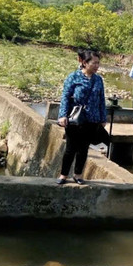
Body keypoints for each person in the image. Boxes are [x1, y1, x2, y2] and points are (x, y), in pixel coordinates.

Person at [57, 49, 108, 185]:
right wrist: (62, 116)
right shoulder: (73, 77)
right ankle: (63, 175)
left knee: (83, 148)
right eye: (94, 63)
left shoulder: (98, 80)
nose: (97, 66)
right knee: (70, 148)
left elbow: (101, 99)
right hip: (75, 119)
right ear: (85, 63)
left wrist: (103, 118)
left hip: (92, 119)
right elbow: (65, 97)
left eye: (98, 63)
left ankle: (78, 175)